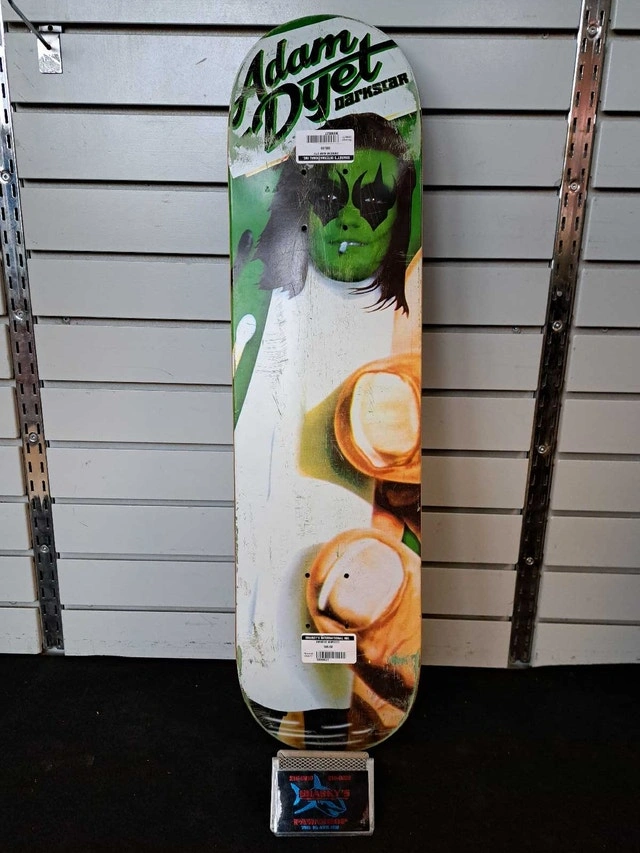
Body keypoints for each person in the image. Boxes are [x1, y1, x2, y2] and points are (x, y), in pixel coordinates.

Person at [234, 112, 422, 747]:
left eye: (371, 202)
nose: (346, 220)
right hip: (280, 580)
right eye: (327, 198)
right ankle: (301, 695)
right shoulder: (265, 316)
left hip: (351, 575)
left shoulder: (401, 321)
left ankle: (330, 702)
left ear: (398, 213)